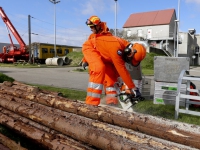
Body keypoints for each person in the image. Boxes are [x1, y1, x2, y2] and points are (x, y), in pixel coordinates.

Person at [82, 16, 146, 106]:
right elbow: (121, 69)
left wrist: (128, 87)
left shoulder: (119, 44)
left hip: (106, 57)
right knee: (99, 68)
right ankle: (91, 103)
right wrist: (133, 88)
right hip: (90, 48)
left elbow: (120, 70)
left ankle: (112, 102)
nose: (91, 29)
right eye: (91, 27)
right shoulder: (116, 47)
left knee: (112, 78)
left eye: (92, 27)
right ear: (129, 52)